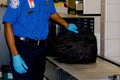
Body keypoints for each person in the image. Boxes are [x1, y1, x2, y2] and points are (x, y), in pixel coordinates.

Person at [2, 0, 78, 80]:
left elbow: (51, 13)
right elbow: (8, 24)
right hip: (23, 48)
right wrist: (15, 55)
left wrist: (66, 25)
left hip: (41, 48)